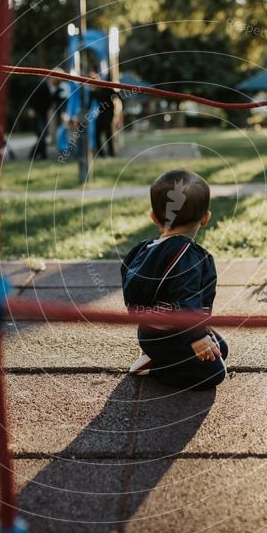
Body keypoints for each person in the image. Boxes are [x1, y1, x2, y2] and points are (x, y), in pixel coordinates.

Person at [121, 168, 228, 391]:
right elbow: (187, 300)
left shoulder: (144, 249)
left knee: (221, 348)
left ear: (153, 216)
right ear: (206, 218)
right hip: (172, 334)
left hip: (151, 331)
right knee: (214, 374)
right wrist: (197, 336)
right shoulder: (189, 257)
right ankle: (159, 368)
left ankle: (157, 356)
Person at [89, 66, 117, 157]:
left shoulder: (107, 87)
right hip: (101, 115)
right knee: (97, 134)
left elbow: (117, 96)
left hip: (109, 114)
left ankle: (111, 153)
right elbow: (89, 103)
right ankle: (101, 153)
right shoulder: (94, 91)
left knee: (108, 134)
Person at [28, 77, 55, 160]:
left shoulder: (54, 86)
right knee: (42, 134)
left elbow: (50, 100)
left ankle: (42, 155)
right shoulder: (42, 84)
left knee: (43, 134)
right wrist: (30, 108)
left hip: (43, 113)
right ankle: (34, 154)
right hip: (37, 112)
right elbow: (32, 95)